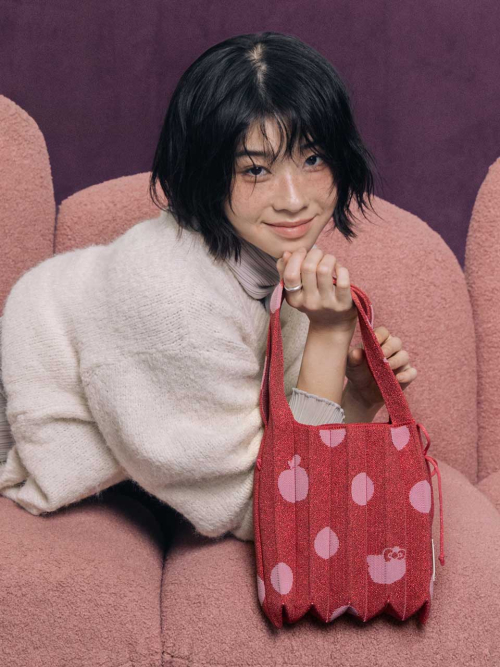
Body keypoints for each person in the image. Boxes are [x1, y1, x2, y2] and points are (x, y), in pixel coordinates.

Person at [0, 31, 386, 542]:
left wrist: (356, 401)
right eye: (255, 169)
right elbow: (286, 516)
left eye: (313, 159)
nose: (294, 199)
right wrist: (330, 337)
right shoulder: (175, 304)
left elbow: (285, 444)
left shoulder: (271, 264)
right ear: (204, 173)